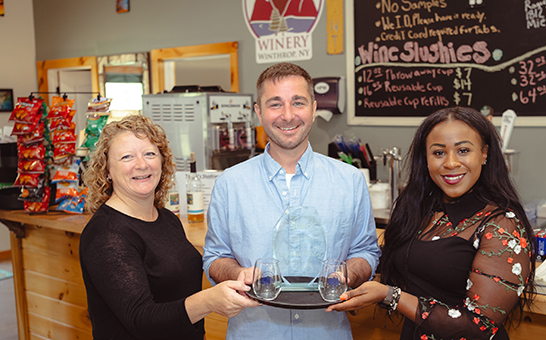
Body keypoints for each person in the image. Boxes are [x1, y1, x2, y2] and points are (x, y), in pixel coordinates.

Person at [203, 62, 381, 340]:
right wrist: (238, 273)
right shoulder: (229, 184)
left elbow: (367, 251)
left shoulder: (351, 181)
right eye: (275, 104)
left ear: (312, 107)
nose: (287, 115)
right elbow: (215, 257)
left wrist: (348, 274)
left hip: (328, 333)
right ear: (258, 112)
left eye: (297, 102)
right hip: (255, 332)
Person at [327, 106, 536, 340]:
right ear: (425, 158)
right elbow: (399, 260)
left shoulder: (501, 225)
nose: (451, 163)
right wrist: (353, 271)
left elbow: (478, 327)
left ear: (484, 153)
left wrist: (390, 295)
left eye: (463, 150)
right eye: (438, 153)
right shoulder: (422, 209)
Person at [79, 114, 259, 340]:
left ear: (162, 161)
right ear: (106, 169)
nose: (141, 164)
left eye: (149, 154)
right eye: (127, 157)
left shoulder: (166, 218)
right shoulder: (107, 235)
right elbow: (141, 320)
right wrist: (209, 301)